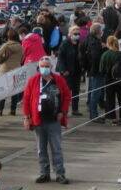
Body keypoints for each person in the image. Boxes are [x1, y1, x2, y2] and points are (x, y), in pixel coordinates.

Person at [22, 56, 71, 184]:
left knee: (56, 148)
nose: (44, 68)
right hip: (38, 120)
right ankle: (44, 173)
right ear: (39, 67)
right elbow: (26, 100)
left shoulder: (59, 80)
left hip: (54, 119)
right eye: (42, 66)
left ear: (51, 67)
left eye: (47, 66)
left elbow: (66, 96)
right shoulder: (33, 81)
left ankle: (60, 173)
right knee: (41, 148)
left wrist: (63, 111)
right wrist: (27, 117)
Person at [99, 35, 121, 125]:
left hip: (109, 80)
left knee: (109, 99)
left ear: (108, 43)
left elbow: (101, 70)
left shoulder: (105, 55)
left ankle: (110, 117)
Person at [0, 27, 24, 116]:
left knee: (3, 90)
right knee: (14, 91)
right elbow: (23, 57)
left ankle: (0, 110)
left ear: (8, 37)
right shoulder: (20, 46)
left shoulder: (6, 46)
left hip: (5, 69)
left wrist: (1, 61)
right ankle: (13, 110)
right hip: (16, 69)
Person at [81, 23, 106, 122]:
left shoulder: (88, 39)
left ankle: (93, 112)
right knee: (95, 92)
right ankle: (94, 114)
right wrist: (103, 48)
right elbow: (95, 57)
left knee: (93, 91)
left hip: (91, 70)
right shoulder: (95, 43)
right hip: (96, 71)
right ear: (98, 32)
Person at [56, 26, 83, 116]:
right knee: (65, 92)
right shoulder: (65, 44)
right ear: (70, 34)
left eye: (78, 34)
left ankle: (75, 109)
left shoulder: (80, 44)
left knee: (76, 91)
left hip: (77, 71)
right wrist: (63, 70)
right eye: (75, 34)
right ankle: (63, 109)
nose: (77, 35)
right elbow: (60, 58)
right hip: (67, 72)